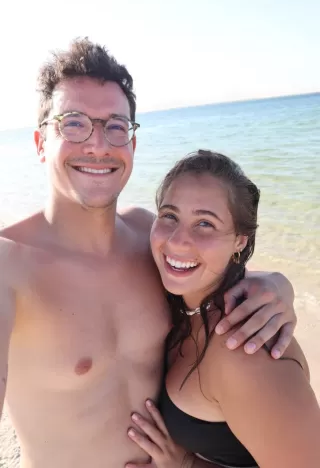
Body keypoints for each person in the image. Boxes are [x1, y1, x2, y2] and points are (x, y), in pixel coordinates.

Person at [0, 39, 297, 468]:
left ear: (133, 145)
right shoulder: (10, 264)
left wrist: (275, 286)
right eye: (73, 123)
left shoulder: (151, 236)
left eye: (116, 126)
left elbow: (215, 278)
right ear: (40, 142)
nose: (98, 144)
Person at [125, 150, 320, 468]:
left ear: (240, 241)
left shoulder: (247, 350)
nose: (177, 241)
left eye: (205, 223)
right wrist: (279, 282)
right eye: (169, 216)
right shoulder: (181, 304)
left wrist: (187, 464)